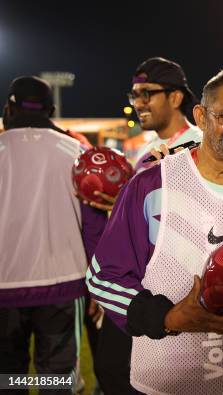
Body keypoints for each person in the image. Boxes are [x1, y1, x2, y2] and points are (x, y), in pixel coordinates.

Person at [87, 67, 223, 394]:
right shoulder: (151, 185)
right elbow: (103, 276)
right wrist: (169, 317)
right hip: (165, 385)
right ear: (201, 117)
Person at [0, 76, 107, 392]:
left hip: (4, 287)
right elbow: (94, 226)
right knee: (57, 382)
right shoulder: (76, 152)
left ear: (10, 107)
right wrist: (97, 285)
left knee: (8, 380)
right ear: (51, 109)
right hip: (62, 285)